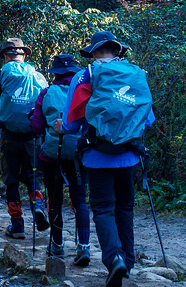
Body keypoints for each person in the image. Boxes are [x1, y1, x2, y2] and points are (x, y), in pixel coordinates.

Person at [58, 31, 154, 287]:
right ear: (117, 52)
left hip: (97, 156)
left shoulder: (85, 76)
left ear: (92, 53)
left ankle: (114, 260)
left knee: (103, 209)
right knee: (125, 208)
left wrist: (62, 127)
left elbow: (70, 124)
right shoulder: (136, 74)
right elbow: (148, 119)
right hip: (129, 157)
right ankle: (128, 262)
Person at [0, 38, 50, 239]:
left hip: (9, 136)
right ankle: (38, 205)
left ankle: (17, 224)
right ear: (24, 55)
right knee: (32, 176)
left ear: (5, 56)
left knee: (11, 179)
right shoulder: (38, 76)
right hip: (33, 136)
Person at [31, 54, 91, 266]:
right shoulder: (84, 92)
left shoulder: (46, 93)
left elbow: (36, 127)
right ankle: (83, 246)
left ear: (54, 73)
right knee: (79, 200)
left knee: (55, 201)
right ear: (74, 72)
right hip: (78, 153)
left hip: (52, 155)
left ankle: (57, 246)